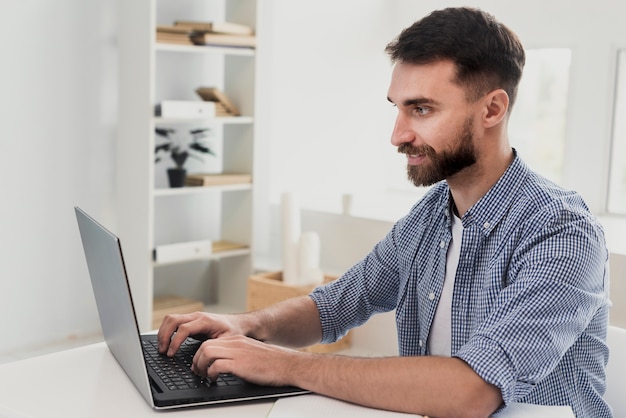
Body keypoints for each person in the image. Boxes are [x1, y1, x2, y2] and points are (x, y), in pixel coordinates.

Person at [158, 7, 611, 418]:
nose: (397, 135)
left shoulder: (563, 232)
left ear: (492, 109)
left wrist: (283, 365)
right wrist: (247, 324)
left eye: (421, 109)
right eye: (398, 109)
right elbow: (333, 307)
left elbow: (471, 392)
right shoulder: (430, 215)